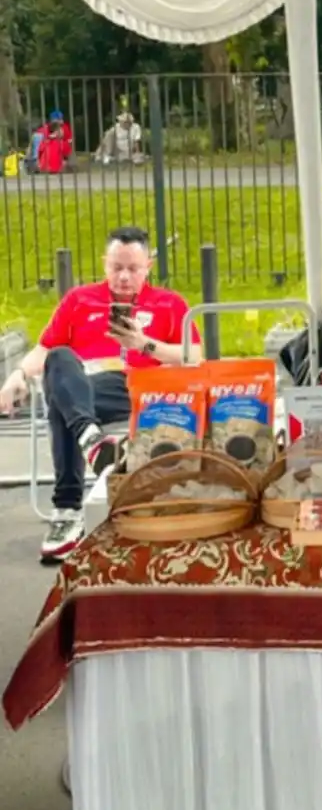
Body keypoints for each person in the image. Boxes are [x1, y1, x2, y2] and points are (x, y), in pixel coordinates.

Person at [0, 226, 199, 563]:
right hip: (84, 386)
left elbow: (194, 355)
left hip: (138, 387)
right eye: (116, 267)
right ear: (104, 263)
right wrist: (17, 374)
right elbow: (45, 349)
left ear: (148, 266)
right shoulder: (80, 299)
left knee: (62, 404)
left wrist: (143, 344)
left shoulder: (169, 303)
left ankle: (67, 510)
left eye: (133, 269)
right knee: (60, 360)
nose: (124, 277)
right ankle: (91, 439)